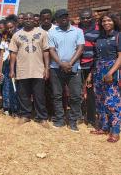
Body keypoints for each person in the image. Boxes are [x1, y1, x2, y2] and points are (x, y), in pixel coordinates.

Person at [9, 12, 50, 126]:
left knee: (39, 95)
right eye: (25, 18)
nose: (28, 20)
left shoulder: (42, 33)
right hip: (22, 69)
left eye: (30, 18)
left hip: (38, 69)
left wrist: (47, 68)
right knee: (23, 95)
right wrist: (12, 70)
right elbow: (13, 53)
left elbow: (46, 51)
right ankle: (25, 115)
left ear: (34, 20)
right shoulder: (17, 35)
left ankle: (42, 117)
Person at [48, 9, 84, 132]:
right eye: (60, 17)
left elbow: (80, 48)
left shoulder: (78, 31)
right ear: (56, 20)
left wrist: (70, 63)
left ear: (68, 18)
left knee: (75, 96)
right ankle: (59, 119)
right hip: (56, 68)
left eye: (65, 16)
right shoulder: (52, 32)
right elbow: (51, 50)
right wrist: (61, 63)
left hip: (73, 68)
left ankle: (73, 121)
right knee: (57, 95)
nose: (63, 18)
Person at [88, 14, 121, 143]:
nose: (106, 22)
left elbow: (120, 57)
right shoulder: (100, 37)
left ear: (114, 21)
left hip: (112, 69)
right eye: (103, 21)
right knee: (100, 100)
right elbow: (96, 58)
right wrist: (91, 74)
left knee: (113, 102)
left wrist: (110, 73)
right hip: (98, 70)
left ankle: (115, 131)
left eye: (109, 20)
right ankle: (104, 127)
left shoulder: (118, 36)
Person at [78, 9, 99, 126]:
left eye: (88, 17)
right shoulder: (75, 28)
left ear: (92, 17)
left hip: (91, 66)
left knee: (90, 93)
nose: (85, 20)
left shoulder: (98, 29)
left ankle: (91, 119)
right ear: (79, 18)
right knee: (77, 92)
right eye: (83, 18)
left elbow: (98, 51)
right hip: (77, 66)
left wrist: (93, 69)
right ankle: (80, 115)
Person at [0, 19, 19, 116]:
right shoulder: (4, 39)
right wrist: (0, 71)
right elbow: (1, 55)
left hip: (16, 65)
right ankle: (6, 107)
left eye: (12, 27)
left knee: (15, 87)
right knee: (6, 87)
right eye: (8, 28)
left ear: (15, 26)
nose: (10, 30)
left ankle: (15, 108)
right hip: (6, 65)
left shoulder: (19, 37)